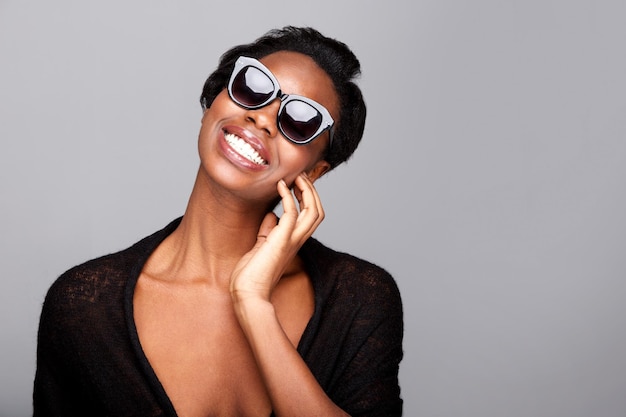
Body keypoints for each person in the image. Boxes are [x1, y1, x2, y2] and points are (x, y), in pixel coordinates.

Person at [33, 26, 403, 417]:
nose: (262, 119)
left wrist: (254, 305)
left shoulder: (360, 298)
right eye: (253, 87)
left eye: (299, 121)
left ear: (313, 173)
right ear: (212, 103)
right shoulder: (83, 306)